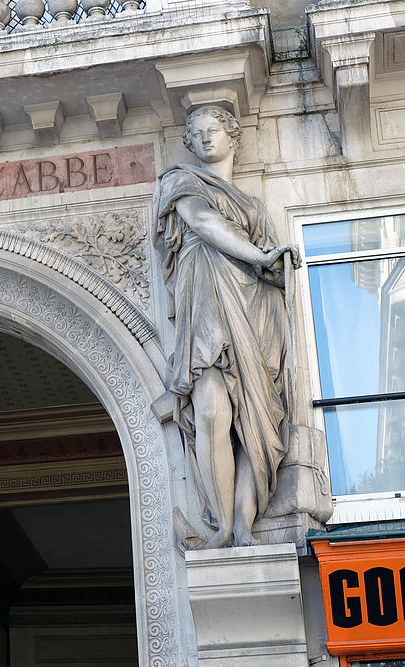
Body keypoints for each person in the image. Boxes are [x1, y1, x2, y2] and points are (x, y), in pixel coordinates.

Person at [153, 106, 298, 549]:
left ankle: (242, 527)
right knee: (214, 410)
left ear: (232, 136)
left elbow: (275, 269)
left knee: (256, 420)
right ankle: (217, 526)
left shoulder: (253, 207)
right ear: (189, 144)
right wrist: (257, 256)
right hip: (208, 309)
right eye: (195, 134)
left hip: (256, 312)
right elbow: (202, 221)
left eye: (213, 130)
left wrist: (271, 264)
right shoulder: (182, 181)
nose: (205, 139)